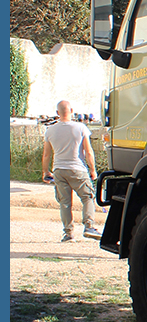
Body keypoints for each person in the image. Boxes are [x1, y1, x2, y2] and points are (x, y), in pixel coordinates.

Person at [41, 100, 102, 242]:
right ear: (72, 110)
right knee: (87, 197)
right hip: (77, 169)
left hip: (59, 170)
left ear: (57, 113)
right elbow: (88, 151)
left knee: (65, 202)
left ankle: (68, 234)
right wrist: (93, 170)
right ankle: (89, 226)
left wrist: (46, 172)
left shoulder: (50, 130)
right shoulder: (81, 128)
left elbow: (46, 154)